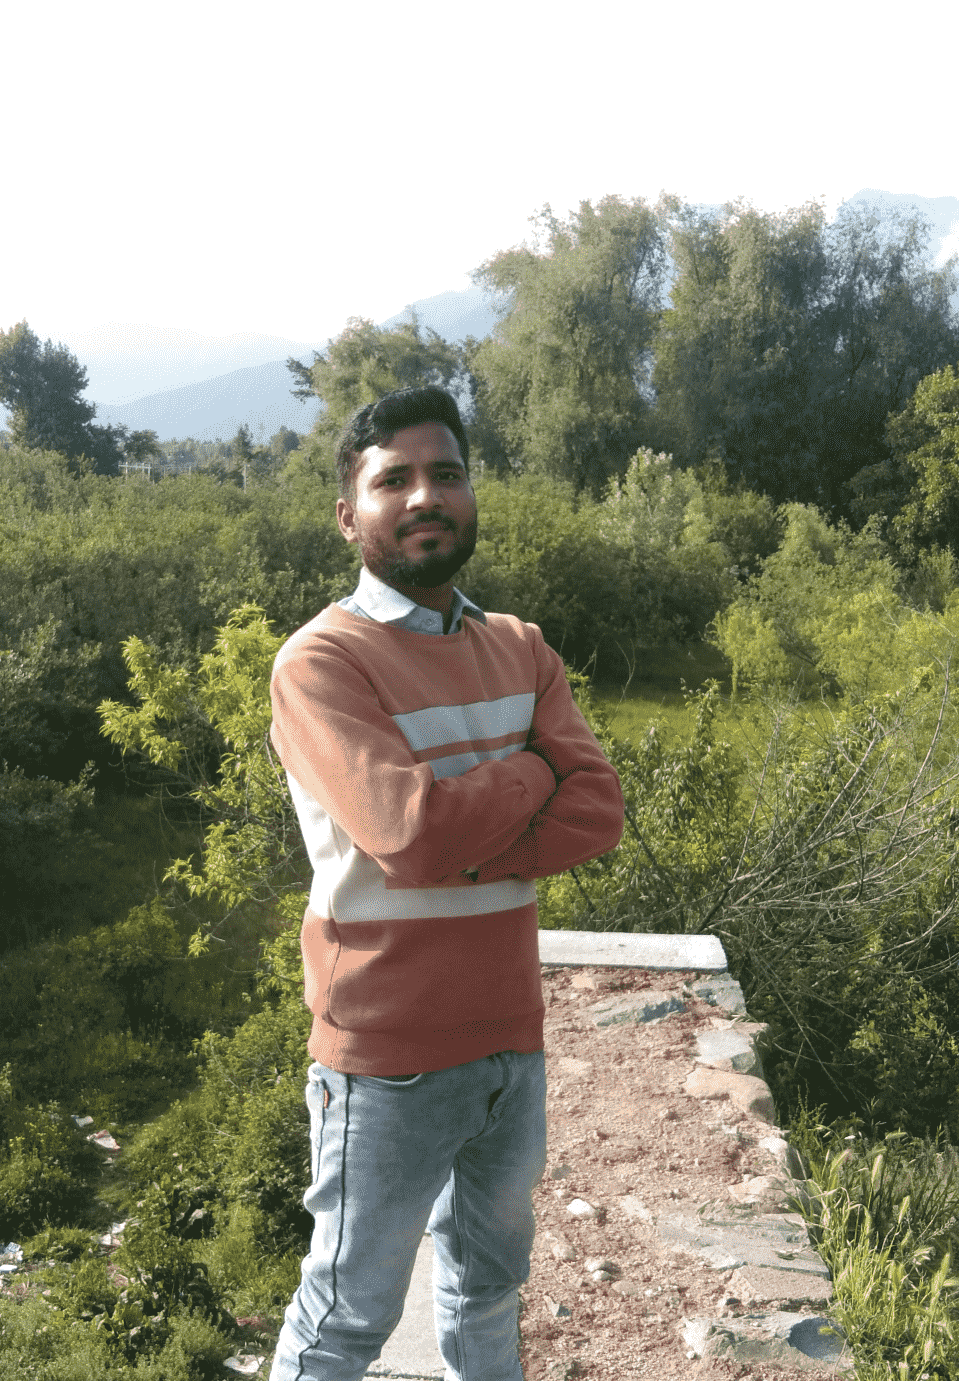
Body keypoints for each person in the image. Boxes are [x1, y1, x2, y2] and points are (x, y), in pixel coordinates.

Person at [268, 386, 624, 1381]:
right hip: (385, 1057)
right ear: (350, 515)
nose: (425, 495)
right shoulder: (322, 662)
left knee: (488, 1285)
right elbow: (408, 833)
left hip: (511, 1039)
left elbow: (598, 809)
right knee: (345, 1321)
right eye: (394, 479)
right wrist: (531, 772)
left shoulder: (519, 645)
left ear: (470, 494)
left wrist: (460, 835)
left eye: (446, 473)